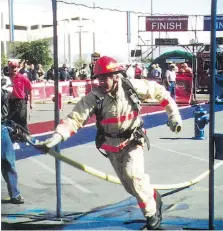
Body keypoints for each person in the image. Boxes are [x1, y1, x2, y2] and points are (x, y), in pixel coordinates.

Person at [36, 56, 182, 230]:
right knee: (131, 187)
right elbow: (75, 119)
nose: (102, 82)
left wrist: (174, 116)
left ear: (116, 76)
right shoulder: (94, 97)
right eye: (100, 78)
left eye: (106, 77)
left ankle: (152, 216)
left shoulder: (132, 87)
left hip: (133, 140)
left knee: (134, 176)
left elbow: (162, 93)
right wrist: (57, 137)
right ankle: (153, 196)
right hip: (111, 146)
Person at [1, 78, 24, 204]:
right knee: (8, 161)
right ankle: (15, 194)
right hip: (1, 129)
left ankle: (15, 194)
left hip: (3, 127)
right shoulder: (3, 94)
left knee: (7, 162)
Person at [8, 61, 33, 131]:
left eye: (15, 67)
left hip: (21, 102)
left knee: (22, 121)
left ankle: (28, 137)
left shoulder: (22, 77)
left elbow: (31, 89)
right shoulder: (7, 79)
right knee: (11, 121)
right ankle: (14, 138)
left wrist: (31, 103)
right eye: (12, 67)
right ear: (9, 68)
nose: (14, 69)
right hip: (10, 102)